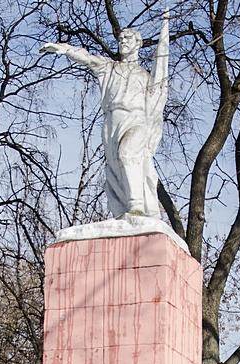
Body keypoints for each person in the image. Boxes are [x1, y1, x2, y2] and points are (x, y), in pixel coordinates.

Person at [41, 11, 169, 218]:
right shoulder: (109, 68)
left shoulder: (145, 76)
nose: (123, 41)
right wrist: (64, 49)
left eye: (128, 38)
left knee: (128, 154)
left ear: (138, 43)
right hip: (111, 121)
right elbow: (87, 58)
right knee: (115, 166)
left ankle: (136, 206)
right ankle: (123, 209)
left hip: (136, 120)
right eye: (120, 38)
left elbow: (156, 100)